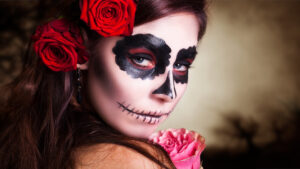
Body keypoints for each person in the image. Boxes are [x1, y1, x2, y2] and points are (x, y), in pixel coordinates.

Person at [0, 0, 207, 168]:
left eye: (181, 65)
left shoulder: (32, 139)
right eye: (142, 59)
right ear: (82, 50)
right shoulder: (135, 162)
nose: (168, 93)